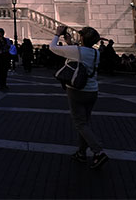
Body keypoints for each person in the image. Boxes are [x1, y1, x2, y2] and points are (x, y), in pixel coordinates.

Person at [51, 25, 108, 169]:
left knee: (80, 123)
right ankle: (81, 153)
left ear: (82, 38)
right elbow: (80, 54)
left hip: (76, 91)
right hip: (93, 91)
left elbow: (53, 48)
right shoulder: (96, 53)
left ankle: (98, 151)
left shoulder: (77, 51)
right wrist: (69, 43)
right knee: (85, 123)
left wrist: (57, 34)